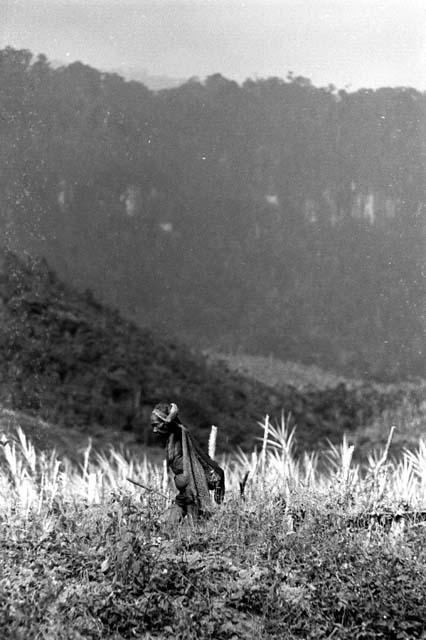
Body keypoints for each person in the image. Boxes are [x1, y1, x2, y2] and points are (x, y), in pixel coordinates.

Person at [151, 402, 225, 520]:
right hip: (184, 495)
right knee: (163, 523)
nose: (154, 430)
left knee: (195, 525)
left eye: (156, 425)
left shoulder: (179, 432)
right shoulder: (171, 438)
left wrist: (169, 418)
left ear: (166, 423)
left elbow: (175, 424)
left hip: (191, 492)